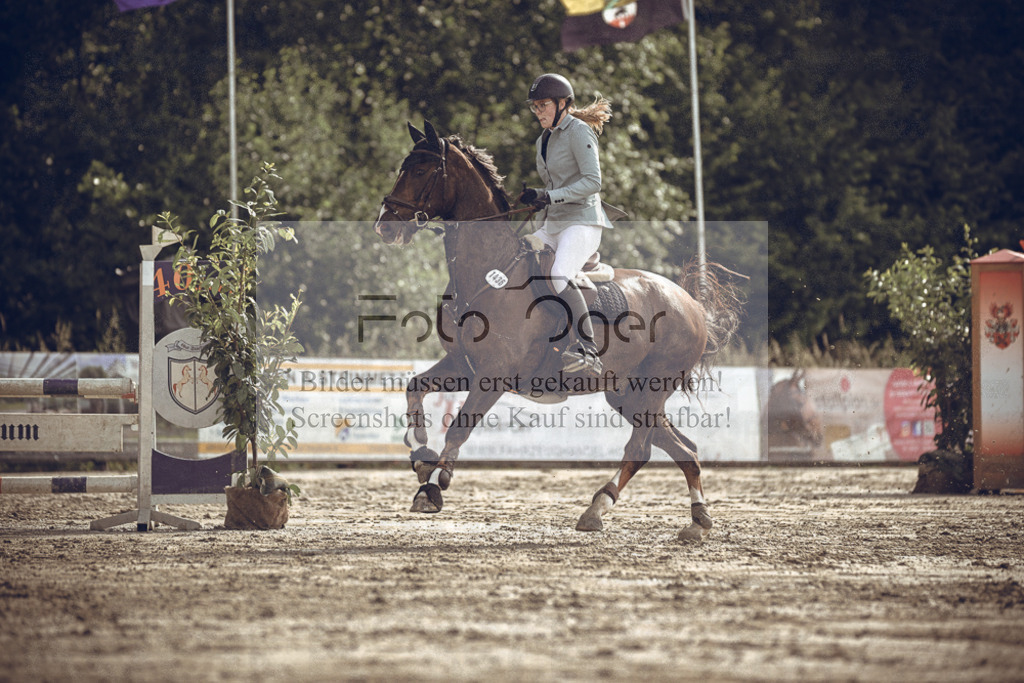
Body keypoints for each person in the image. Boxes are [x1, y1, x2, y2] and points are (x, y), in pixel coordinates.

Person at [520, 73, 613, 378]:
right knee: (517, 259)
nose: (538, 112)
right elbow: (554, 187)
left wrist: (550, 196)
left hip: (582, 222)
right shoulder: (542, 140)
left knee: (559, 274)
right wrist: (537, 197)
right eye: (535, 107)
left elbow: (593, 182)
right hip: (554, 223)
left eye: (543, 105)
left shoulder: (579, 131)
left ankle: (587, 349)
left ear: (563, 103)